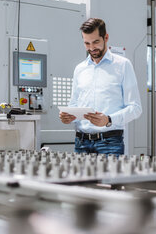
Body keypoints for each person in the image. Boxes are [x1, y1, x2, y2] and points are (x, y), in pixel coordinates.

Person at [59, 18, 142, 156]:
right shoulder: (80, 69)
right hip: (81, 143)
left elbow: (135, 108)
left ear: (106, 37)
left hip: (110, 143)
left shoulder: (122, 65)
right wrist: (68, 116)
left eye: (96, 42)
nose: (91, 48)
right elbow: (74, 104)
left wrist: (109, 120)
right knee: (81, 179)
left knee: (108, 178)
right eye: (87, 43)